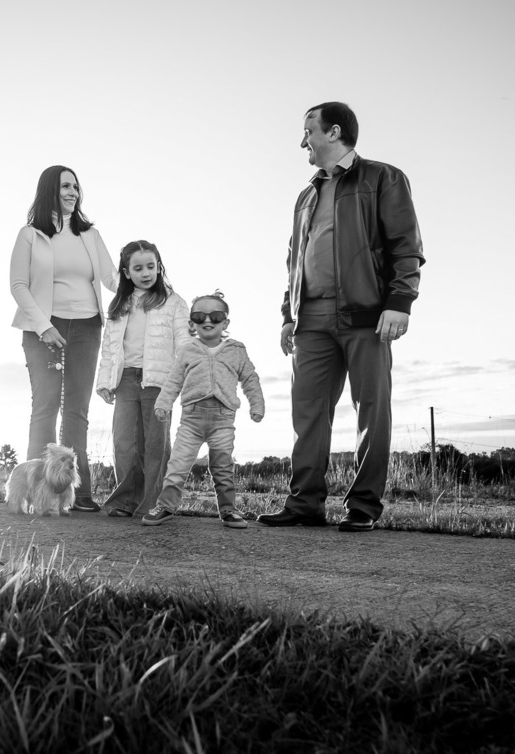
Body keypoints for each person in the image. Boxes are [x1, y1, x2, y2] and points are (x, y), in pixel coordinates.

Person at [258, 102, 425, 533]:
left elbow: (405, 246)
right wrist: (287, 315)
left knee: (371, 408)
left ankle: (364, 506)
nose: (303, 142)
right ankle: (304, 503)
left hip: (367, 315)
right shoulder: (305, 195)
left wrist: (399, 302)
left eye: (307, 131)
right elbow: (295, 261)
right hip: (309, 318)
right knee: (307, 410)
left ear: (333, 133)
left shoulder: (383, 178)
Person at [9, 165, 118, 512]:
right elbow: (18, 285)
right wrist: (44, 326)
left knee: (77, 411)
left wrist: (158, 288)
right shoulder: (30, 235)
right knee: (45, 408)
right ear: (49, 192)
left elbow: (112, 279)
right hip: (45, 328)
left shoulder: (91, 236)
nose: (72, 192)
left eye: (75, 186)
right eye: (64, 186)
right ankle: (34, 493)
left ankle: (78, 495)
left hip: (87, 327)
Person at [142, 292, 265, 529]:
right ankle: (166, 506)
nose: (207, 321)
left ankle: (229, 510)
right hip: (191, 421)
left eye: (215, 316)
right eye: (199, 316)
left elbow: (250, 379)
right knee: (177, 466)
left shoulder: (236, 351)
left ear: (225, 322)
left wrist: (256, 405)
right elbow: (174, 380)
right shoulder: (188, 350)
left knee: (222, 466)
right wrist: (163, 403)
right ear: (192, 323)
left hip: (222, 420)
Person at [95, 240, 190, 518]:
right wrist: (104, 381)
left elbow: (184, 342)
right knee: (125, 442)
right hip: (125, 379)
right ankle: (125, 501)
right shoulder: (119, 304)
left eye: (151, 266)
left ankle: (154, 504)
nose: (146, 273)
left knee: (155, 445)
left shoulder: (173, 302)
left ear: (159, 267)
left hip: (158, 382)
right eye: (138, 268)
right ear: (126, 272)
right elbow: (110, 347)